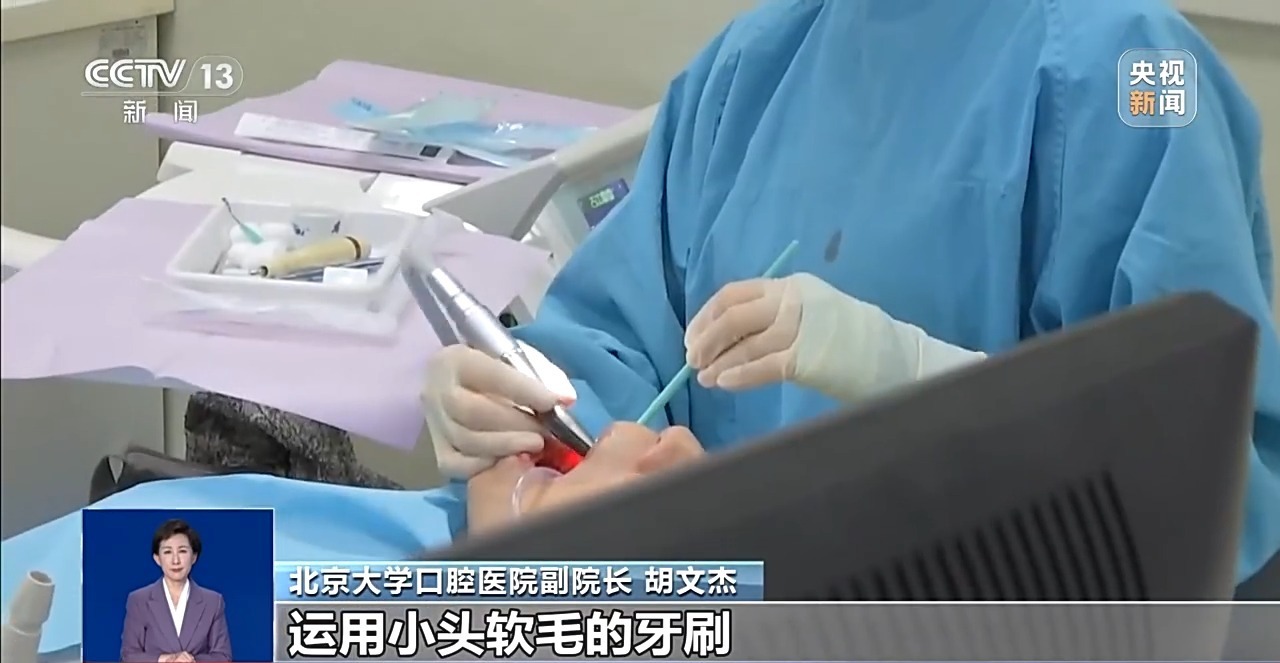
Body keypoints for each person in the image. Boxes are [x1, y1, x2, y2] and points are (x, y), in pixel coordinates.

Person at [423, 0, 1280, 586]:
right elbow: (618, 338)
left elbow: (1198, 479)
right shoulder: (753, 66)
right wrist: (523, 406)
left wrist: (904, 371)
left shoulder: (1140, 67)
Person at [120, 519, 232, 663]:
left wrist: (192, 660)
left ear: (194, 557)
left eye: (182, 551)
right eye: (167, 552)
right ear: (157, 558)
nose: (176, 560)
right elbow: (128, 656)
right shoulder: (139, 600)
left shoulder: (213, 602)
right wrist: (165, 659)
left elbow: (223, 657)